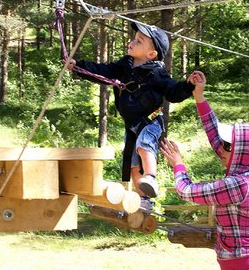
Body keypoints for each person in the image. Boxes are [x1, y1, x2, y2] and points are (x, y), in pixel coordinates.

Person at [65, 22, 195, 209]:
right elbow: (102, 72)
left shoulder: (157, 73)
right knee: (134, 164)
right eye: (134, 38)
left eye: (139, 41)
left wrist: (188, 85)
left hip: (150, 121)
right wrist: (78, 67)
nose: (132, 42)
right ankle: (143, 201)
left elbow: (174, 93)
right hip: (132, 124)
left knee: (144, 147)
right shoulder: (123, 66)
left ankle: (151, 178)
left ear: (151, 54)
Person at [160, 71, 249, 270]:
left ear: (241, 152)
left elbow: (185, 191)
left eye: (228, 146)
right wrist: (199, 96)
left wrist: (178, 164)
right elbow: (215, 135)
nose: (220, 148)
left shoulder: (239, 185)